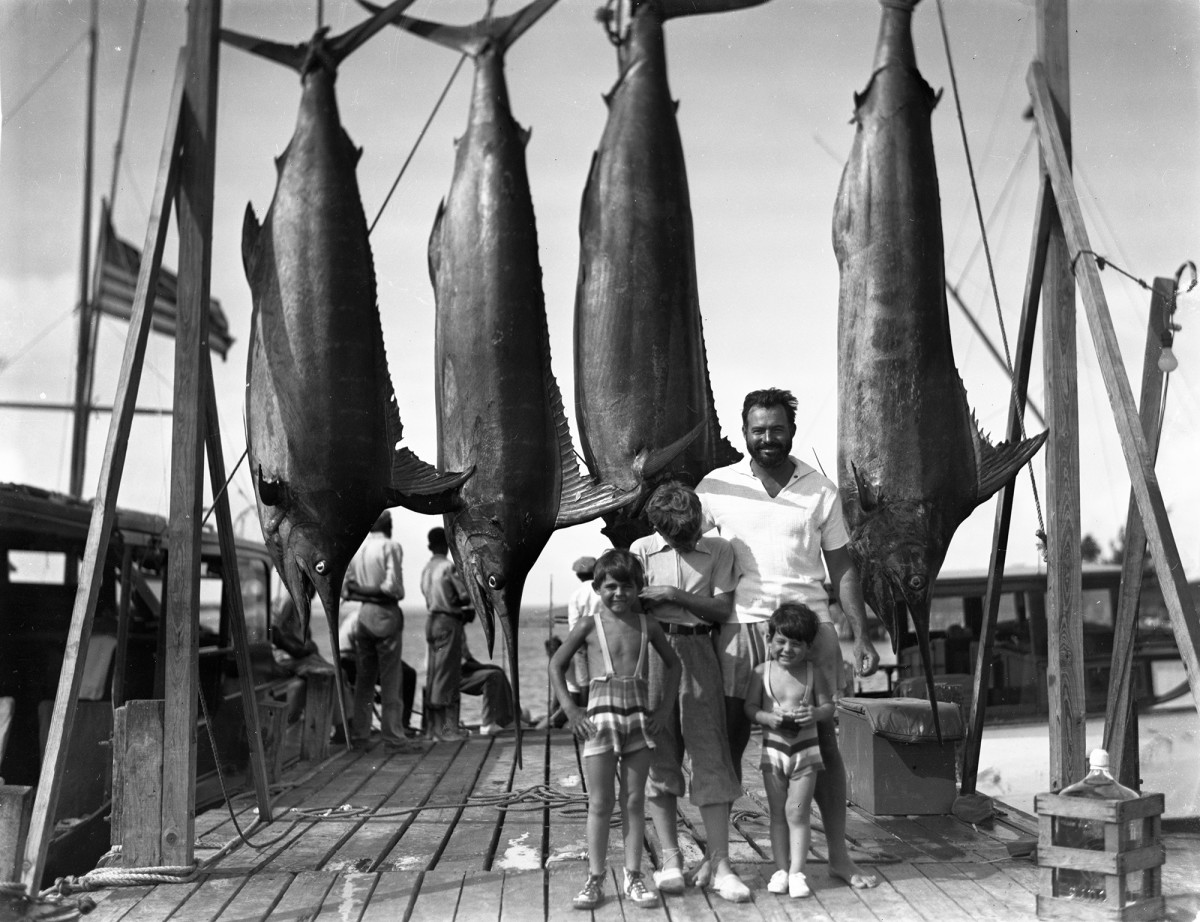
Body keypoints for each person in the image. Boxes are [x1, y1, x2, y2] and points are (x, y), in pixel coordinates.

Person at [695, 386, 881, 890]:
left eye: (777, 429)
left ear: (792, 431)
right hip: (742, 625)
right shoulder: (716, 485)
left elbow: (842, 565)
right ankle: (719, 858)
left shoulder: (820, 488)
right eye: (758, 430)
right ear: (745, 433)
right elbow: (683, 540)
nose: (768, 438)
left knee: (822, 744)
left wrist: (859, 634)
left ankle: (839, 856)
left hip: (811, 627)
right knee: (729, 738)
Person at [629, 482, 749, 903]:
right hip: (654, 654)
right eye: (678, 536)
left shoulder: (718, 550)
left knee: (711, 753)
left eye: (692, 531)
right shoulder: (641, 551)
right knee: (660, 755)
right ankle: (670, 858)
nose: (688, 541)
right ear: (659, 528)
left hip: (700, 649)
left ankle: (721, 864)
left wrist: (673, 596)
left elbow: (723, 608)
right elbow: (627, 604)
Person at [549, 549, 680, 912]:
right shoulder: (589, 625)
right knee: (601, 803)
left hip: (638, 722)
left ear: (639, 588)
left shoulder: (647, 626)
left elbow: (674, 665)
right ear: (597, 587)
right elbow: (556, 665)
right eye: (610, 587)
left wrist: (664, 710)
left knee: (635, 801)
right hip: (600, 723)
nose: (619, 593)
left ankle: (634, 874)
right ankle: (595, 877)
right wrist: (572, 710)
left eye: (627, 587)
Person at [745, 603, 834, 899]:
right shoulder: (761, 672)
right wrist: (766, 718)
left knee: (797, 813)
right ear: (769, 640)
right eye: (780, 641)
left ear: (808, 647)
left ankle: (797, 872)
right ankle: (780, 869)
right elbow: (750, 708)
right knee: (777, 814)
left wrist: (816, 714)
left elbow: (828, 707)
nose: (787, 649)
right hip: (773, 755)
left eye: (796, 644)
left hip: (806, 755)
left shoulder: (813, 672)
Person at [343, 510, 419, 755]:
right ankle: (393, 738)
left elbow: (348, 590)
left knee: (364, 680)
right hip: (385, 615)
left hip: (363, 616)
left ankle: (360, 736)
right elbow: (393, 588)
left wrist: (362, 592)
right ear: (390, 525)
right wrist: (377, 592)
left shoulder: (359, 549)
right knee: (390, 679)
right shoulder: (391, 546)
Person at [419, 527, 473, 741]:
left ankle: (432, 729)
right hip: (447, 622)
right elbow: (463, 597)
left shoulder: (427, 569)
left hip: (431, 621)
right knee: (446, 676)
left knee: (433, 674)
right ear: (447, 545)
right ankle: (447, 731)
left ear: (431, 546)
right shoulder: (448, 568)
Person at [338, 605, 418, 737]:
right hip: (349, 660)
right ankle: (402, 724)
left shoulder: (361, 615)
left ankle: (397, 723)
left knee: (406, 672)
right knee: (407, 675)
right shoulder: (368, 619)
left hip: (354, 657)